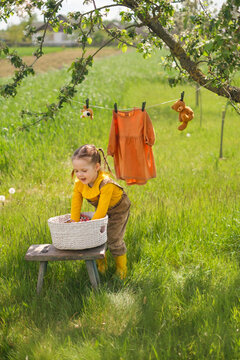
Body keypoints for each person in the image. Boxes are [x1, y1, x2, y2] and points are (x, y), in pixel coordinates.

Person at [70, 144, 131, 279]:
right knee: (97, 238)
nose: (80, 175)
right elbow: (76, 204)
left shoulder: (106, 184)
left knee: (113, 238)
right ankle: (101, 266)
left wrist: (89, 227)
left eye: (84, 170)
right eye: (76, 170)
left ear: (97, 167)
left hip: (118, 209)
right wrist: (74, 223)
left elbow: (101, 211)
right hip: (103, 210)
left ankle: (122, 270)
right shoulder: (79, 184)